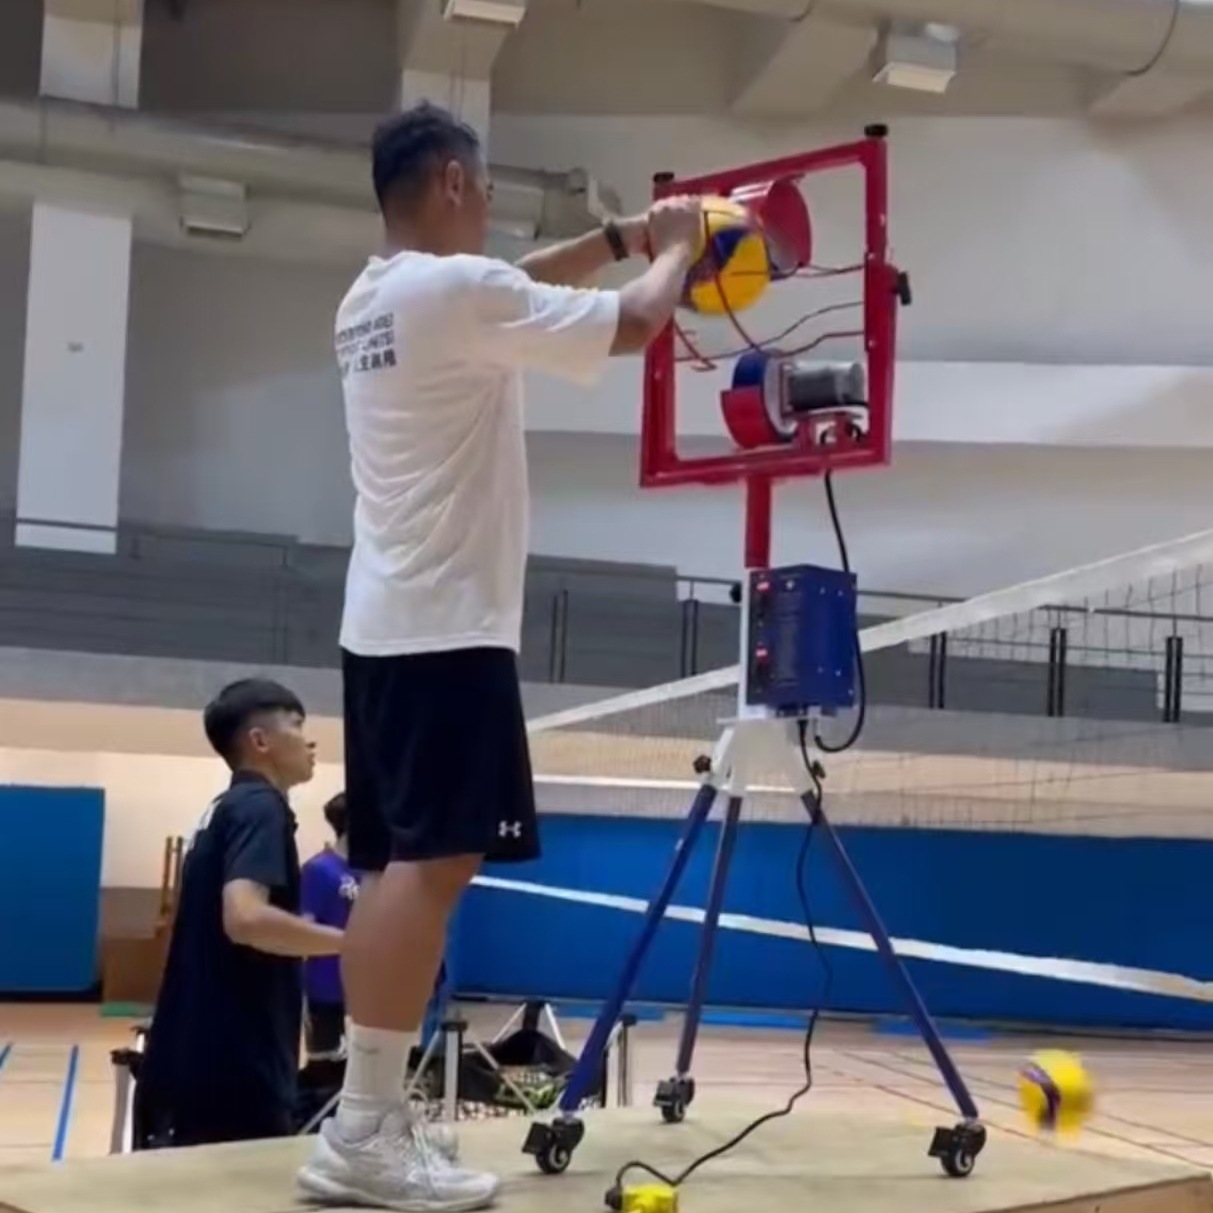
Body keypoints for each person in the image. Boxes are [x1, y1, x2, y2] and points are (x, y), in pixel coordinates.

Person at [298, 100, 705, 1210]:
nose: (484, 208)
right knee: (429, 870)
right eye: (479, 189)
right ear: (450, 181)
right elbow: (635, 323)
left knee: (404, 870)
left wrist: (617, 236)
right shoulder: (452, 294)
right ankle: (363, 1131)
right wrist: (673, 250)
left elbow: (512, 278)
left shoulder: (376, 296)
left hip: (389, 623)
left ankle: (367, 1118)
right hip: (445, 624)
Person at [138, 679, 343, 1147]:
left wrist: (301, 931)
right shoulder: (260, 808)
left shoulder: (225, 808)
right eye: (297, 726)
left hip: (197, 1055)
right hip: (235, 1065)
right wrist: (353, 943)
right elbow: (246, 919)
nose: (310, 741)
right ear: (260, 741)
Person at [302, 792, 359, 1062]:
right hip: (326, 989)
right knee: (326, 1067)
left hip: (366, 989)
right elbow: (303, 929)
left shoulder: (372, 873)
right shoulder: (319, 870)